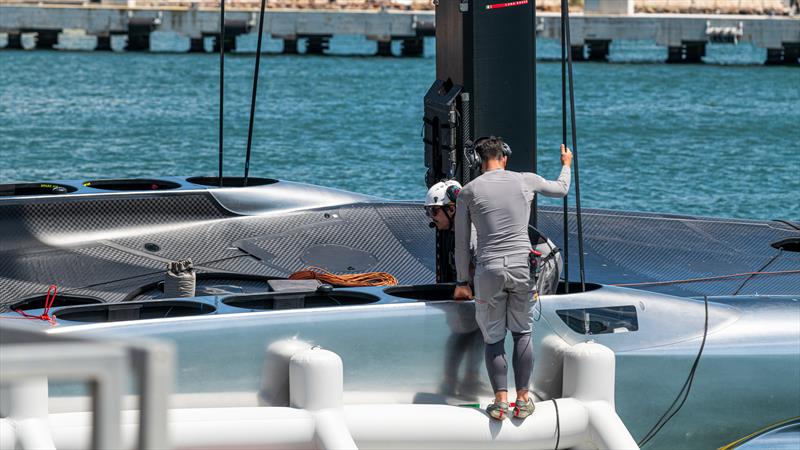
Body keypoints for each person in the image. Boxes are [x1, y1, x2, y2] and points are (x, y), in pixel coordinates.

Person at [454, 136, 572, 420]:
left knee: (493, 339)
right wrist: (566, 164)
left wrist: (461, 282)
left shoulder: (467, 192)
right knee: (522, 333)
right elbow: (562, 189)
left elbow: (460, 244)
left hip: (489, 271)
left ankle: (500, 403)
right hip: (522, 268)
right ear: (504, 158)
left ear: (479, 162)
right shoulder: (525, 180)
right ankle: (523, 400)